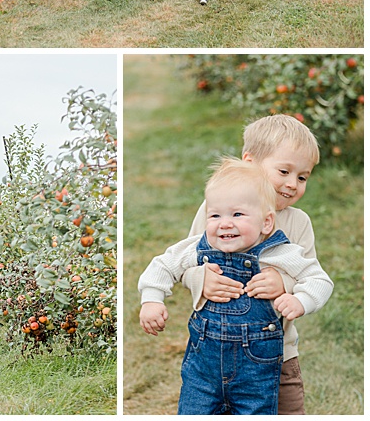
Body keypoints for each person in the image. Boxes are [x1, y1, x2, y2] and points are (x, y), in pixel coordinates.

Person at [138, 158, 333, 415]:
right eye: (215, 215)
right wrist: (152, 299)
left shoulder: (279, 253)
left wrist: (300, 300)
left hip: (256, 372)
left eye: (237, 214)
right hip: (203, 371)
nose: (225, 223)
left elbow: (320, 280)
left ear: (266, 223)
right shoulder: (199, 246)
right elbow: (163, 265)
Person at [181, 114, 324, 414]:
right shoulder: (217, 211)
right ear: (249, 163)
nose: (291, 184)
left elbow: (311, 275)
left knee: (286, 410)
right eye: (284, 171)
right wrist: (200, 280)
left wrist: (284, 284)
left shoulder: (298, 223)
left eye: (302, 177)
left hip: (277, 356)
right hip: (215, 352)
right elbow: (184, 261)